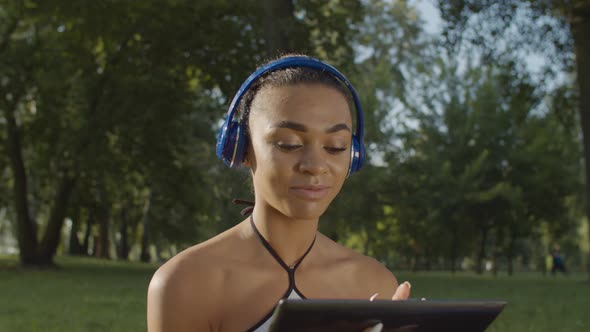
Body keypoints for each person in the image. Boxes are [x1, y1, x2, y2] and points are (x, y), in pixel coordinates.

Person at [147, 55, 411, 332]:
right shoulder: (186, 283)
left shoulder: (374, 283)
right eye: (288, 144)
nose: (315, 166)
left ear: (354, 156)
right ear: (241, 149)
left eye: (335, 146)